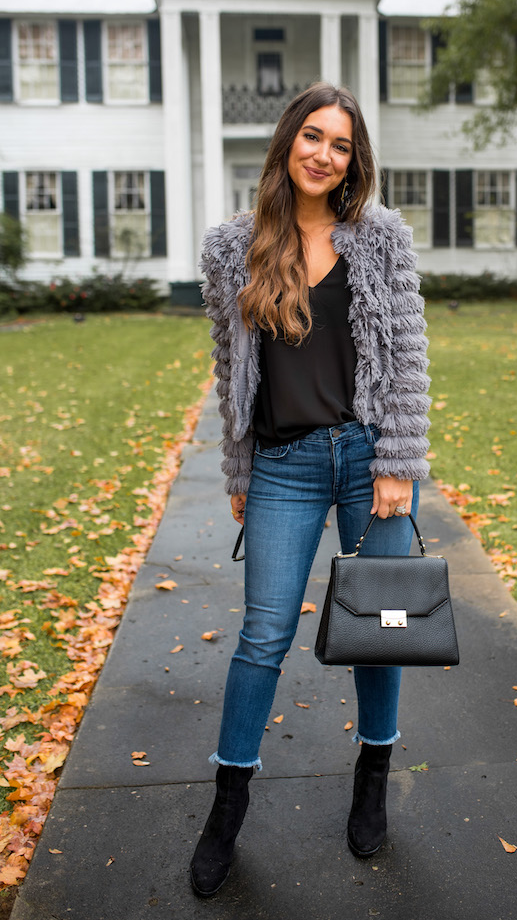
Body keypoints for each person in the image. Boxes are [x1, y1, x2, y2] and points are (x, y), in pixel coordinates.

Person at [190, 82, 431, 898]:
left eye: (342, 144)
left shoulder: (381, 238)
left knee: (383, 626)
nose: (325, 154)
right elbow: (233, 373)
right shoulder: (232, 247)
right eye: (314, 136)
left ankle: (372, 776)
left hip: (370, 459)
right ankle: (227, 806)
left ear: (354, 159)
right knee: (262, 635)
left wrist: (398, 461)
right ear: (288, 140)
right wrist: (238, 468)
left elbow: (404, 357)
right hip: (285, 464)